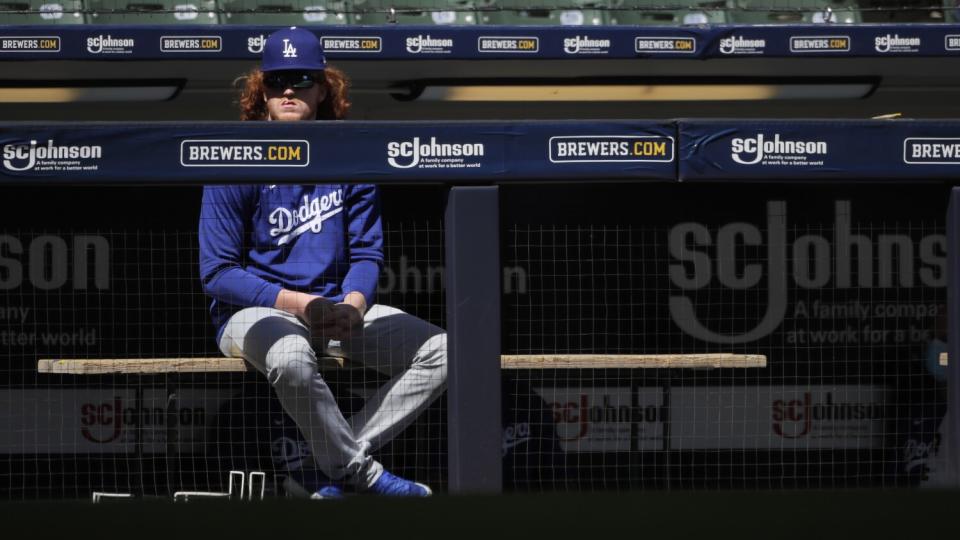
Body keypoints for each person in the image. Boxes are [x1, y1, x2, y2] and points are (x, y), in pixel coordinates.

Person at [198, 27, 446, 498]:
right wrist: (300, 304)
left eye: (302, 78)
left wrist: (353, 304)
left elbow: (367, 254)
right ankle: (363, 472)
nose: (288, 90)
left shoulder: (350, 155)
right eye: (276, 81)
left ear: (323, 86)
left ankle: (322, 463)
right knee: (292, 358)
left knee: (446, 352)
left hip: (333, 310)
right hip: (255, 315)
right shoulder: (236, 156)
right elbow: (217, 273)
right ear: (261, 90)